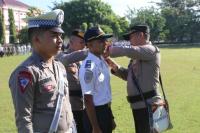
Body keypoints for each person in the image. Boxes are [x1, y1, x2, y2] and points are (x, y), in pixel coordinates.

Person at [9, 9, 76, 133]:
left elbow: (65, 104)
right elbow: (24, 119)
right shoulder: (26, 73)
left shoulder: (60, 66)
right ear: (37, 40)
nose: (60, 40)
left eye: (60, 35)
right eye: (54, 35)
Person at [105, 25, 161, 133]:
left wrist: (108, 49)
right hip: (139, 106)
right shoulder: (136, 56)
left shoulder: (151, 50)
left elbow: (128, 50)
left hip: (149, 106)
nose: (129, 41)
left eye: (130, 37)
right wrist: (110, 62)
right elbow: (128, 75)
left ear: (140, 35)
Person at [79, 26, 114, 133]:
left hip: (105, 111)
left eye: (105, 40)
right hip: (95, 114)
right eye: (101, 41)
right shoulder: (88, 67)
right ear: (89, 44)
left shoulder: (102, 60)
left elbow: (105, 92)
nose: (105, 43)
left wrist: (110, 117)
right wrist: (95, 127)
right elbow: (88, 99)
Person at [60, 29, 86, 133]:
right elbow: (66, 59)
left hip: (85, 106)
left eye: (85, 42)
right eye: (81, 42)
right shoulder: (61, 56)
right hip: (70, 107)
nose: (84, 45)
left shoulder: (84, 59)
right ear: (71, 42)